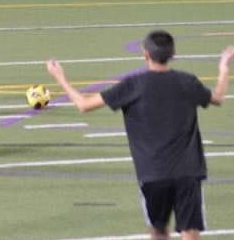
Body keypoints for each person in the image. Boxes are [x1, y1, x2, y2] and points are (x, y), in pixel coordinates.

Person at [46, 31, 233, 240]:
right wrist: (223, 68)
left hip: (153, 174)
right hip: (188, 172)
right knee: (189, 230)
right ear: (173, 54)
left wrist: (60, 77)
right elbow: (218, 97)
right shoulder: (187, 81)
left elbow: (83, 104)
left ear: (145, 54)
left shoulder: (132, 85)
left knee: (159, 231)